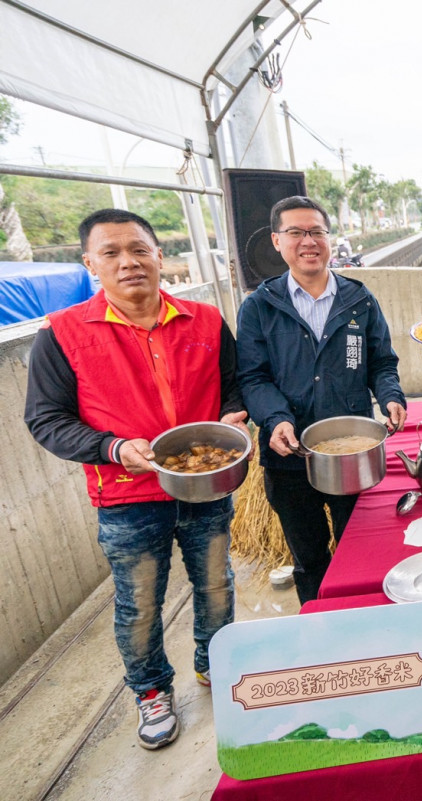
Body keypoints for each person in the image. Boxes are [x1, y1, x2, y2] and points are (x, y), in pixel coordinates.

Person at [24, 209, 247, 750]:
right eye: (111, 253)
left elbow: (233, 388)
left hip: (205, 485)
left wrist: (236, 416)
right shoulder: (62, 335)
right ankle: (150, 690)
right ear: (90, 264)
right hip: (126, 496)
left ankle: (214, 661)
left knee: (216, 583)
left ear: (158, 255)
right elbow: (46, 420)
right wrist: (113, 447)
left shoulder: (206, 320)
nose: (128, 262)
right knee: (139, 601)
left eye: (139, 249)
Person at [237, 196, 407, 605]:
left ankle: (366, 628)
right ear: (277, 241)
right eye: (295, 232)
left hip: (352, 453)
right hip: (289, 458)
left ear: (330, 239)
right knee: (309, 558)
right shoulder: (259, 307)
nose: (307, 241)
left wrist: (390, 396)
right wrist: (275, 419)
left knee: (361, 551)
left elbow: (381, 362)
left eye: (316, 231)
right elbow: (253, 377)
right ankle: (320, 632)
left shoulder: (358, 300)